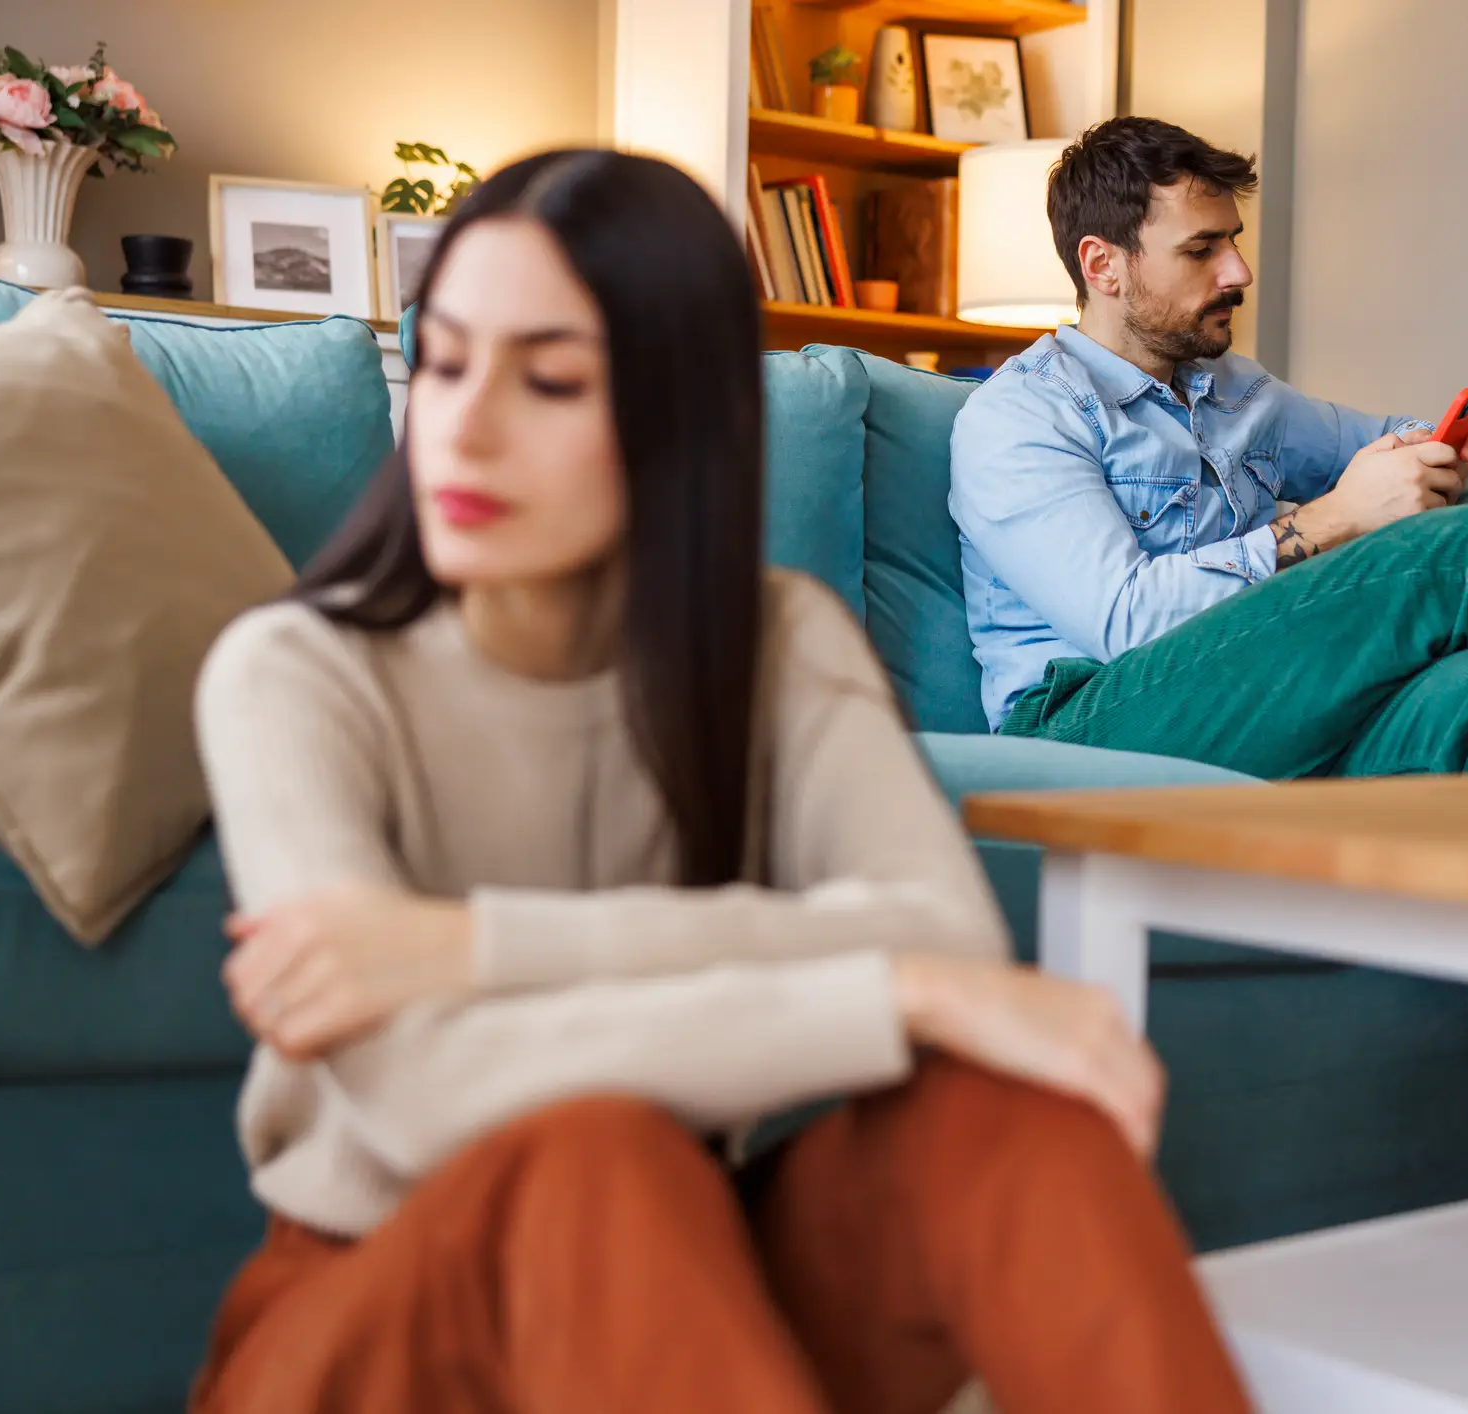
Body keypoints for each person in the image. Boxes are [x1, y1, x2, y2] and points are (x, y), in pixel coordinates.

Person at [187, 149, 1255, 1414]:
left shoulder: (778, 644)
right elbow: (424, 1093)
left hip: (671, 1268)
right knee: (599, 1147)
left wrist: (475, 946)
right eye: (447, 364)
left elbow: (946, 934)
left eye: (548, 380)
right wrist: (890, 989)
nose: (461, 428)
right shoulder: (291, 671)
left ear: (675, 418)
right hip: (377, 1321)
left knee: (1001, 1123)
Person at [947, 116, 1468, 1190]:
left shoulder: (1242, 397)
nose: (1236, 272)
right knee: (1462, 553)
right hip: (1089, 730)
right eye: (1201, 249)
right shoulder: (1019, 418)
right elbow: (1124, 620)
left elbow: (1385, 438)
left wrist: (1424, 454)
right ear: (1102, 265)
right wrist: (1328, 521)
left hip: (1252, 725)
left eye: (1232, 241)